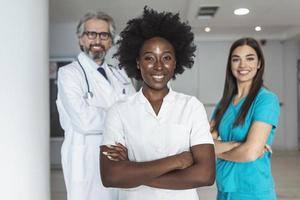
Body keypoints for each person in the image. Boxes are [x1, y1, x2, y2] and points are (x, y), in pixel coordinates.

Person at [99, 7, 215, 200]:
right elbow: (111, 176)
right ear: (137, 62)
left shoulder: (191, 106)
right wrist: (177, 161)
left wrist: (132, 171)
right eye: (149, 58)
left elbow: (206, 175)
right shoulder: (119, 111)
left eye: (166, 58)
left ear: (176, 62)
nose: (159, 66)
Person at [56, 11, 135, 200]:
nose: (97, 40)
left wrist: (114, 116)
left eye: (104, 35)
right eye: (91, 34)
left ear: (110, 41)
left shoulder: (120, 75)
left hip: (121, 157)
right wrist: (121, 118)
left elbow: (137, 110)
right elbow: (84, 121)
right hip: (86, 158)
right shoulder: (69, 74)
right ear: (81, 39)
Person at [210, 37, 280, 200]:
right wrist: (237, 146)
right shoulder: (225, 102)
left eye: (250, 58)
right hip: (225, 189)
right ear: (230, 65)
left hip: (252, 190)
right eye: (236, 59)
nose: (243, 65)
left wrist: (219, 152)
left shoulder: (266, 100)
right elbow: (204, 143)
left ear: (259, 63)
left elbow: (250, 152)